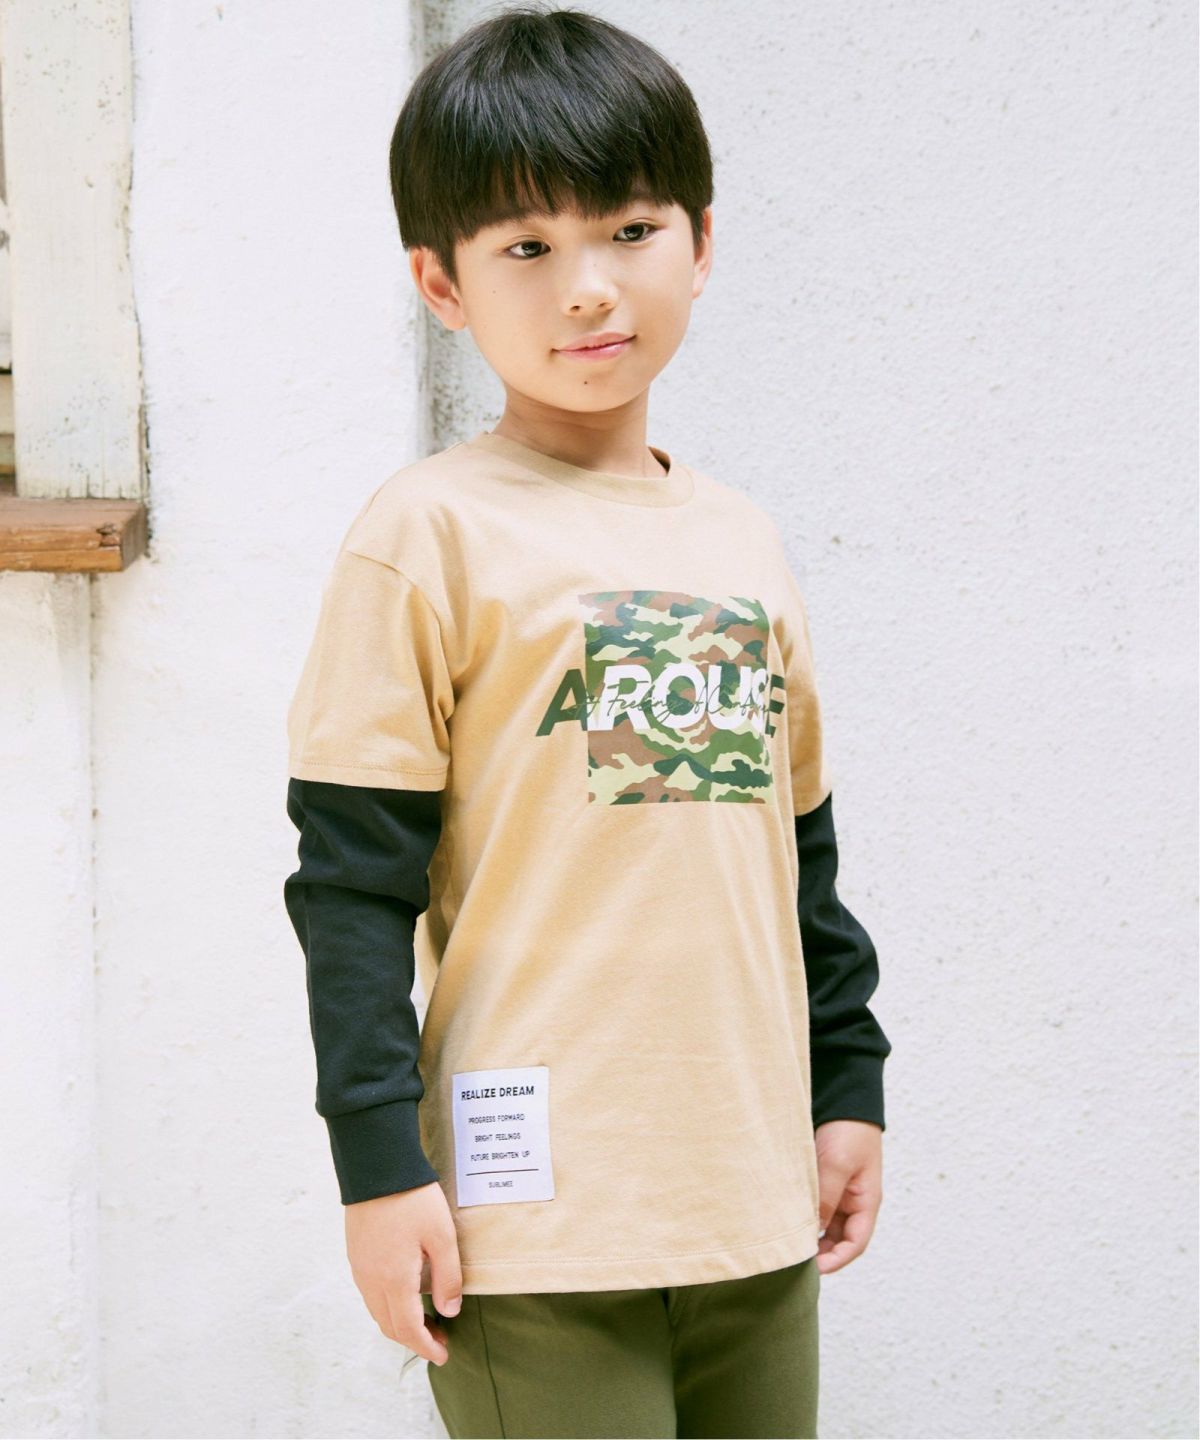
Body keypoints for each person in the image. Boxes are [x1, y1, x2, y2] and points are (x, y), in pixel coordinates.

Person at [283, 6, 892, 1437]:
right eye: (526, 248)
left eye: (629, 229)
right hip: (531, 1224)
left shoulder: (742, 541)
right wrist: (376, 1168)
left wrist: (847, 1084)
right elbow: (351, 888)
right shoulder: (425, 537)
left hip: (747, 1196)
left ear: (702, 240)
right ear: (441, 284)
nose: (589, 289)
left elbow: (798, 857)